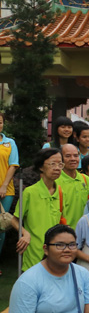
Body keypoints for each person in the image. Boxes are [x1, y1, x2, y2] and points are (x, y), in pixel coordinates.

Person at [11, 148, 66, 271]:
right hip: (34, 252)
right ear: (41, 167)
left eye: (60, 164)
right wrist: (25, 233)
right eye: (52, 164)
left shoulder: (61, 192)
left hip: (55, 252)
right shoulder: (29, 192)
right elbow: (14, 220)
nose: (57, 168)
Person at [56, 144, 89, 228]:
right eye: (68, 156)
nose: (73, 159)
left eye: (76, 156)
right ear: (61, 159)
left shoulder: (85, 179)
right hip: (64, 231)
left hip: (85, 229)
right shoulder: (55, 180)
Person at [0, 112, 18, 275]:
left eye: (0, 122)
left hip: (6, 191)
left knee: (1, 227)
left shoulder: (9, 143)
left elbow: (13, 165)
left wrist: (4, 186)